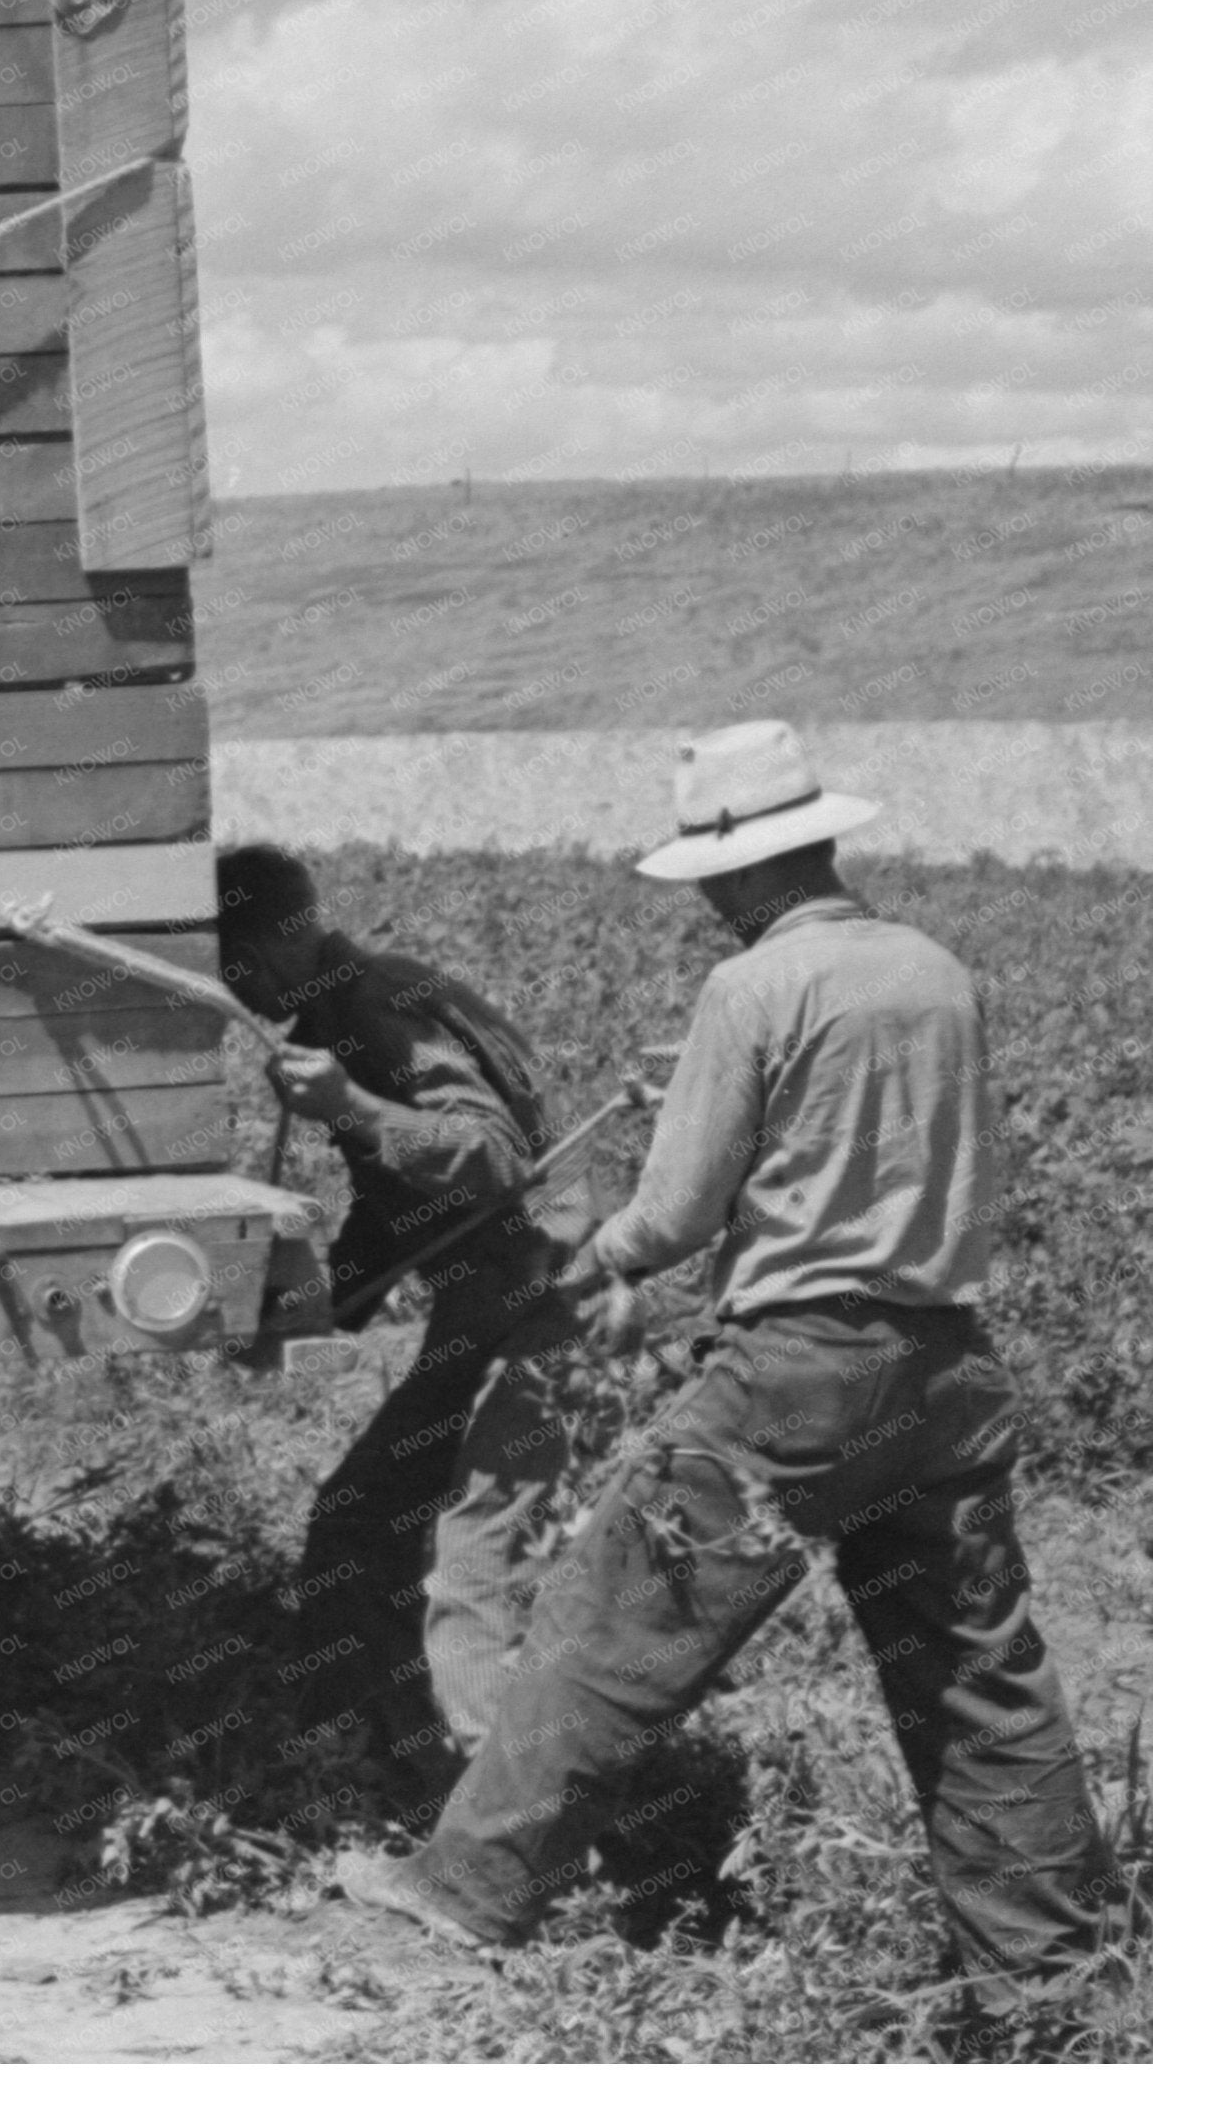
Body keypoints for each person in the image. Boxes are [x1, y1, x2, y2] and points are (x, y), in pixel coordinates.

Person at [342, 723, 1121, 2012]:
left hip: (796, 1372)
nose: (704, 902)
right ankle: (1045, 1973)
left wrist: (607, 1258)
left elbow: (683, 1208)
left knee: (614, 1612)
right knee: (976, 1672)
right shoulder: (932, 968)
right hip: (945, 1366)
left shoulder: (751, 988)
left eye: (707, 879)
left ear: (739, 872)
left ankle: (468, 1886)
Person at [217, 840, 571, 1769]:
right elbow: (390, 1205)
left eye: (234, 965)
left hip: (533, 1296)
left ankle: (450, 1793)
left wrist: (352, 1107)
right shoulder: (356, 999)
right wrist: (319, 1317)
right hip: (494, 1297)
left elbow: (494, 1160)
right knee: (375, 1522)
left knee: (450, 1553)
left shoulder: (372, 1009)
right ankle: (388, 1755)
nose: (235, 991)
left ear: (271, 945)